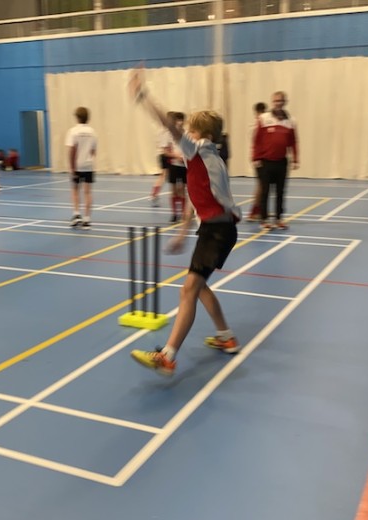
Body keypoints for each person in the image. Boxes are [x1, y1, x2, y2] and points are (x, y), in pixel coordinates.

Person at [128, 67, 241, 377]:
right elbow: (197, 199)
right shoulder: (208, 157)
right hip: (216, 229)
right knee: (200, 287)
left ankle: (167, 355)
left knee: (188, 290)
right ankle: (226, 336)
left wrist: (143, 95)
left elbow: (167, 122)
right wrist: (182, 233)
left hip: (217, 232)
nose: (183, 132)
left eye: (187, 129)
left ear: (197, 133)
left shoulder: (200, 149)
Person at [252, 92, 299, 230]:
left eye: (281, 101)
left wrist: (295, 158)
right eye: (276, 100)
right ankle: (264, 219)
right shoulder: (264, 118)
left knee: (280, 192)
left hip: (282, 162)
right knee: (265, 191)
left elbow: (293, 141)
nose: (278, 103)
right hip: (266, 162)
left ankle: (279, 219)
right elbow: (257, 140)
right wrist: (256, 157)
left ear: (285, 102)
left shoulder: (290, 121)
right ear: (273, 102)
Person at [65, 106, 97, 229]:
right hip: (88, 165)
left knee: (75, 190)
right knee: (88, 192)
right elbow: (94, 151)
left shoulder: (73, 131)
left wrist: (72, 167)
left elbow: (72, 151)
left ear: (77, 118)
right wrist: (91, 163)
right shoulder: (93, 132)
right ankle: (87, 219)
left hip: (77, 165)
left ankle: (76, 214)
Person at [166, 112, 188, 222]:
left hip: (184, 166)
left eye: (181, 119)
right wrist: (175, 155)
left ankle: (184, 213)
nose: (180, 122)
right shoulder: (169, 135)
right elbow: (165, 151)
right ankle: (174, 213)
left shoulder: (187, 134)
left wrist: (185, 158)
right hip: (174, 165)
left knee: (182, 189)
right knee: (174, 190)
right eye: (178, 120)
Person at [149, 113, 175, 207]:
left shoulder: (164, 130)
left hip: (165, 155)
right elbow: (165, 147)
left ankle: (154, 194)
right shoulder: (165, 132)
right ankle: (154, 195)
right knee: (163, 176)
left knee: (164, 176)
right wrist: (173, 154)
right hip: (165, 156)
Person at [247, 102, 267, 221]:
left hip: (265, 157)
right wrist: (257, 158)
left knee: (263, 185)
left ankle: (260, 209)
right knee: (261, 185)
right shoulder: (255, 125)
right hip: (259, 158)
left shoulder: (265, 123)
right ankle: (254, 211)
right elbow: (256, 142)